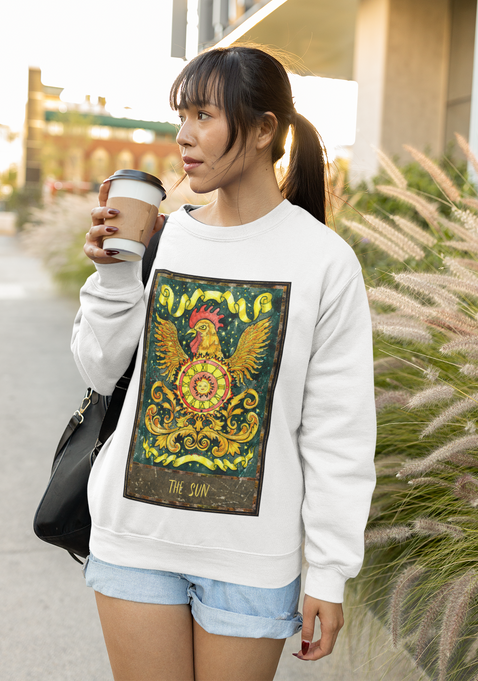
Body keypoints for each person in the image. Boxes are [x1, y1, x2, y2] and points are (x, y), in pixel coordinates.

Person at [72, 45, 376, 681]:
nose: (184, 136)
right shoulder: (159, 235)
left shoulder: (323, 261)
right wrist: (113, 278)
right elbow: (102, 373)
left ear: (265, 129)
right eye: (182, 116)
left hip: (251, 558)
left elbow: (338, 433)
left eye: (204, 116)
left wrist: (329, 571)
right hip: (137, 538)